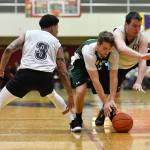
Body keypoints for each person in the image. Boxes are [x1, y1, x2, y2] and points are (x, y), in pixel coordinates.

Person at [0, 14, 81, 132]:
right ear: (53, 27)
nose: (58, 30)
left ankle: (73, 122)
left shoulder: (28, 34)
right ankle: (73, 123)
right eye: (57, 26)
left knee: (1, 99)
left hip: (25, 75)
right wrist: (69, 95)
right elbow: (63, 72)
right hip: (45, 77)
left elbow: (8, 49)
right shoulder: (56, 43)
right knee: (53, 96)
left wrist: (1, 69)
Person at [95, 11, 150, 126]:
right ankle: (103, 112)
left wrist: (139, 81)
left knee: (146, 58)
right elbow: (121, 48)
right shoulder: (118, 33)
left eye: (139, 26)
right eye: (134, 25)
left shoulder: (142, 38)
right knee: (113, 93)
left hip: (133, 62)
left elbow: (143, 61)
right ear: (126, 24)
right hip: (118, 66)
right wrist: (140, 55)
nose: (137, 29)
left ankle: (107, 109)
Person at [70, 31, 119, 131]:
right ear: (98, 44)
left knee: (111, 91)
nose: (107, 52)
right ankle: (78, 119)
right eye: (105, 48)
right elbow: (95, 80)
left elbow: (113, 78)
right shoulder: (89, 51)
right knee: (81, 91)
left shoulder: (113, 53)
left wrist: (112, 99)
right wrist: (105, 101)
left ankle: (106, 111)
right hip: (80, 65)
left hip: (97, 64)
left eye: (109, 49)